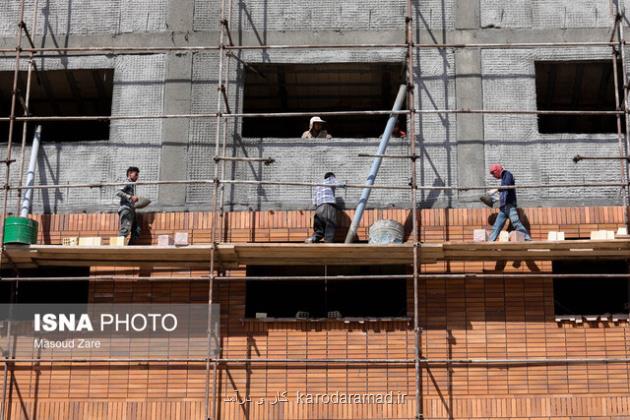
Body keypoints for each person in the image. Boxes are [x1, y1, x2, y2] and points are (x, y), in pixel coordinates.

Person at [488, 163, 532, 241]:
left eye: (493, 173)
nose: (493, 176)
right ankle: (490, 242)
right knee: (497, 226)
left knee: (515, 223)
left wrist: (495, 190)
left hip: (509, 205)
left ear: (497, 170)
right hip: (504, 207)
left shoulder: (507, 174)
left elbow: (506, 185)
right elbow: (505, 191)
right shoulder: (504, 177)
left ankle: (527, 238)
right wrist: (497, 198)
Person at [305, 172, 343, 243]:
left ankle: (312, 239)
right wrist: (344, 185)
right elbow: (339, 184)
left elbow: (314, 201)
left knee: (320, 229)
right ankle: (329, 245)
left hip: (318, 209)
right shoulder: (330, 179)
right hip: (327, 206)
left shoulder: (318, 186)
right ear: (331, 176)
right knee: (330, 225)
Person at [116, 166, 141, 243]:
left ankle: (131, 249)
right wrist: (130, 197)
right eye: (136, 174)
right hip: (126, 209)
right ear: (130, 174)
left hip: (131, 210)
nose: (137, 177)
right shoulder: (127, 182)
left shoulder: (132, 185)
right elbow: (118, 192)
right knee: (125, 229)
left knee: (136, 230)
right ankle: (119, 250)